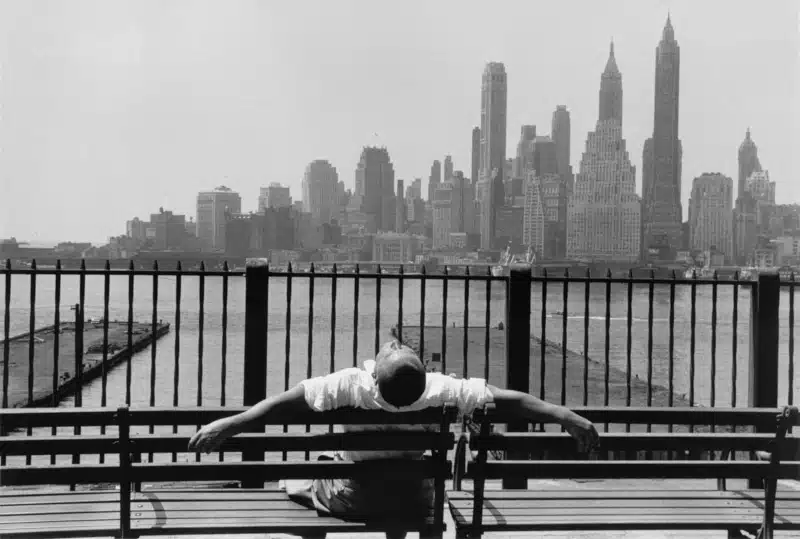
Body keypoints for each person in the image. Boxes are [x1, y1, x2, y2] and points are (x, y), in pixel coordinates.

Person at [189, 331, 600, 539]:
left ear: (376, 374)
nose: (391, 344)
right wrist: (564, 415)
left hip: (355, 499)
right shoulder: (438, 389)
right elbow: (506, 400)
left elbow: (284, 403)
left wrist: (229, 424)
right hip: (414, 497)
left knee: (307, 475)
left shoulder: (350, 385)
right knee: (406, 478)